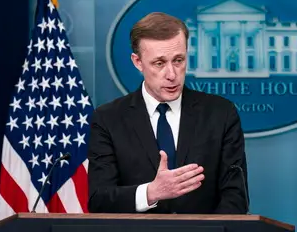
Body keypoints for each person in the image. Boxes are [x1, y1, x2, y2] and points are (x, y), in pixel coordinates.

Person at [87, 12, 248, 214]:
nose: (172, 75)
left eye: (178, 60)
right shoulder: (108, 119)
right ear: (138, 62)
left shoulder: (220, 114)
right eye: (159, 63)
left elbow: (236, 196)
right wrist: (151, 192)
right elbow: (99, 199)